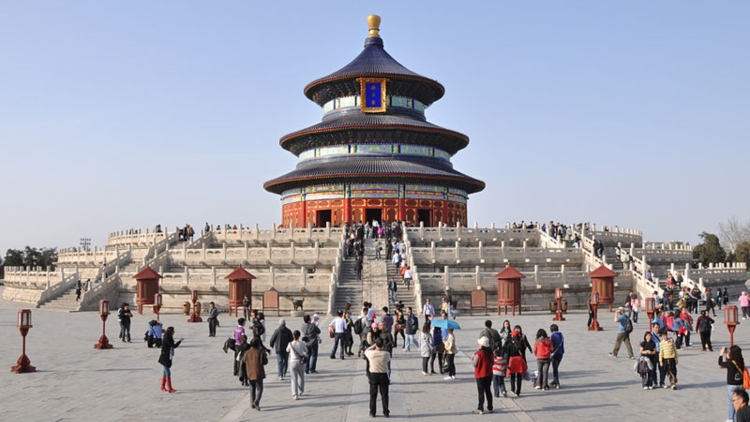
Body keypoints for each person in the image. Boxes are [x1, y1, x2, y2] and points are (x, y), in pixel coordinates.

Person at [365, 338, 391, 418]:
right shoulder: (386, 354)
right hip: (383, 375)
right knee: (384, 395)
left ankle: (372, 412)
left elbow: (366, 350)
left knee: (373, 395)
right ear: (383, 345)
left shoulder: (371, 354)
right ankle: (386, 412)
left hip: (373, 375)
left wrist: (373, 345)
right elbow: (388, 360)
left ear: (376, 345)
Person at [719, 345, 746, 421]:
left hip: (731, 384)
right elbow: (733, 360)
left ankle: (730, 418)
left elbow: (720, 363)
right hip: (741, 384)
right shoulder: (741, 360)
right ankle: (741, 417)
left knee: (732, 401)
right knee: (741, 401)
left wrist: (721, 353)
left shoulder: (730, 363)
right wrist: (728, 354)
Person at [244, 337, 268, 411]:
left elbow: (244, 360)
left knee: (252, 388)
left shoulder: (246, 352)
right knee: (260, 388)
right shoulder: (260, 352)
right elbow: (265, 362)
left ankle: (252, 403)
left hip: (250, 372)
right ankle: (256, 401)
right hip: (258, 372)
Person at [157, 326, 183, 393]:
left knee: (165, 372)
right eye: (173, 331)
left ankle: (162, 386)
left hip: (167, 356)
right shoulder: (167, 338)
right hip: (165, 357)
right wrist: (179, 341)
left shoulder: (168, 337)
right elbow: (174, 346)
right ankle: (169, 388)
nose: (174, 332)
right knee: (168, 372)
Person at [472, 336, 494, 414]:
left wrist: (472, 358)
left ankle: (480, 408)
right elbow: (493, 363)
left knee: (481, 392)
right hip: (489, 374)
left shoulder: (478, 353)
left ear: (481, 345)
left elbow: (474, 364)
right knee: (488, 390)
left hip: (480, 375)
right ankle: (490, 407)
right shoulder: (490, 352)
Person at [507, 329, 528, 397]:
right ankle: (518, 391)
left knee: (512, 375)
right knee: (519, 376)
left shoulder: (510, 343)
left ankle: (513, 388)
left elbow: (508, 353)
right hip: (519, 359)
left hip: (512, 360)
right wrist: (524, 361)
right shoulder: (521, 342)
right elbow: (523, 352)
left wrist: (507, 362)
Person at [287, 330, 307, 400]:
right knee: (301, 377)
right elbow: (306, 350)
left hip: (292, 362)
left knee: (294, 379)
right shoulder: (302, 343)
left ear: (293, 335)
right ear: (299, 336)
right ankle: (300, 391)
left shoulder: (290, 344)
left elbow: (287, 350)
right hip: (300, 362)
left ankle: (294, 394)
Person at [549, 324, 565, 389]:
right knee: (556, 367)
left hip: (555, 354)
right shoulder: (561, 335)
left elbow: (552, 345)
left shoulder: (553, 336)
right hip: (561, 353)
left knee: (555, 368)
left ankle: (557, 383)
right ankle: (554, 380)